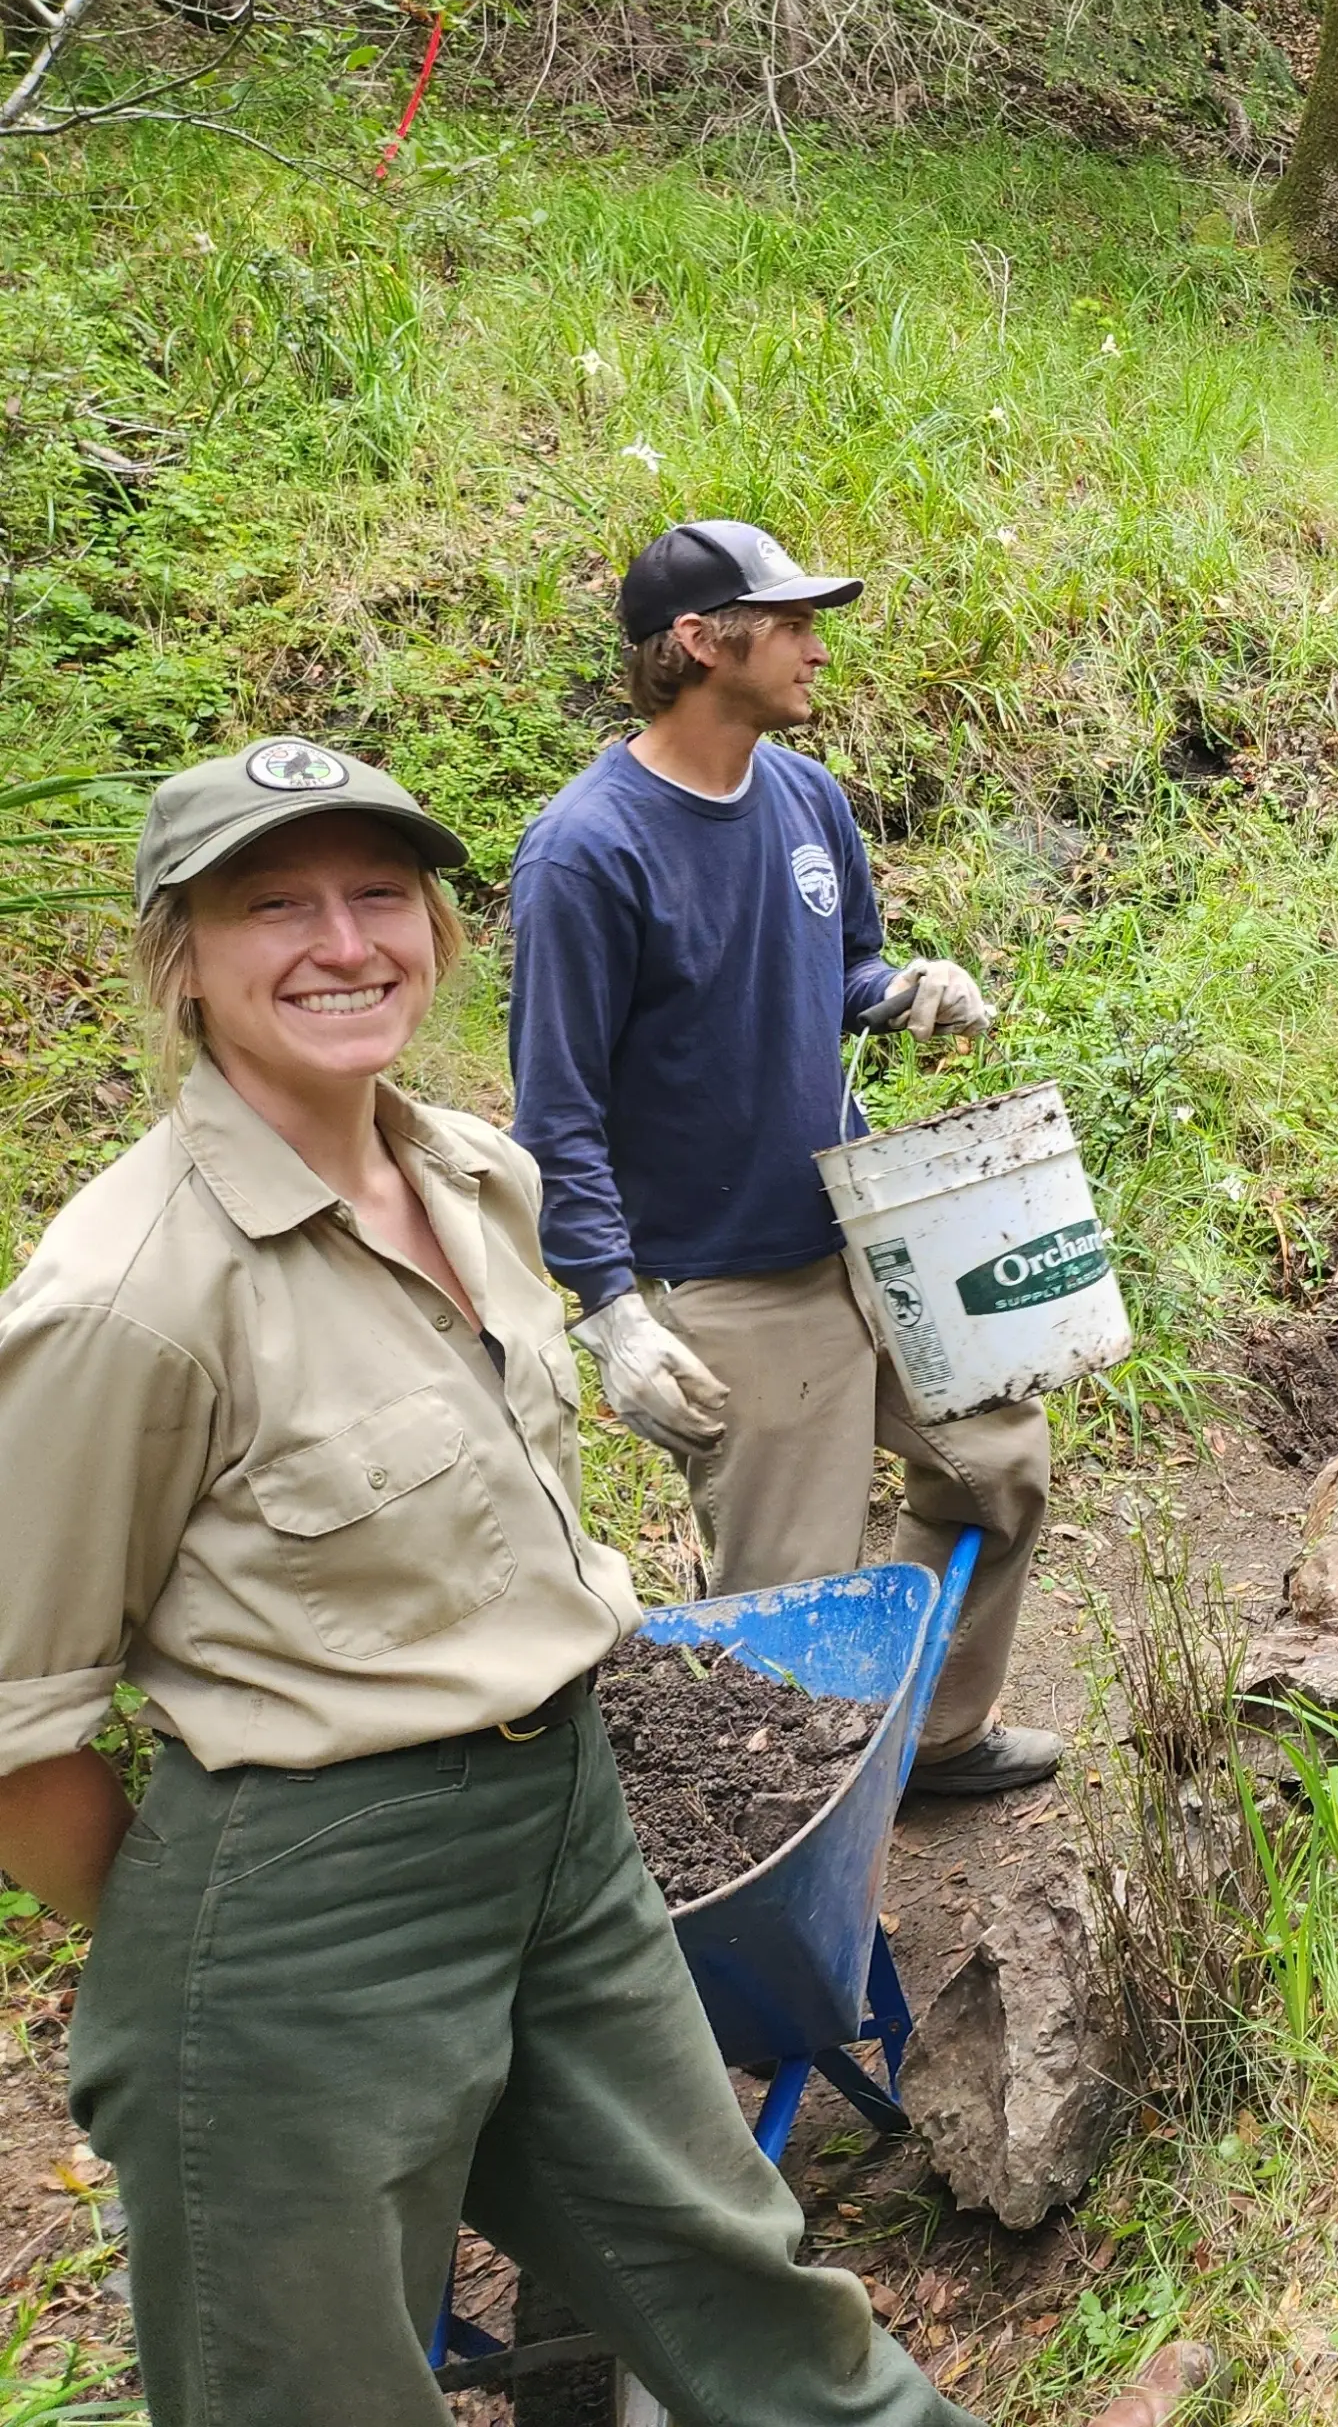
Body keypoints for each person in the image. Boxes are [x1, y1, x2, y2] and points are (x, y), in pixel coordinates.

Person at [0, 737, 1209, 2427]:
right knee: (317, 2394)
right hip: (300, 1904)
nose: (343, 940)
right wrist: (226, 1984)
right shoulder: (130, 1293)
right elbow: (21, 1725)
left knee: (744, 2288)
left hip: (568, 1833)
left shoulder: (475, 1183)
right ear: (178, 955)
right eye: (274, 904)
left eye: (379, 895)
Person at [508, 519, 1057, 1798]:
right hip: (725, 1281)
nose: (819, 646)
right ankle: (793, 1847)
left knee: (999, 1468)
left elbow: (841, 963)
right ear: (700, 643)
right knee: (789, 1612)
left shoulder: (804, 795)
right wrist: (610, 1313)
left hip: (867, 1235)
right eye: (794, 622)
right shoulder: (588, 852)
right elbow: (559, 1111)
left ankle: (926, 1738)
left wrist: (900, 989)